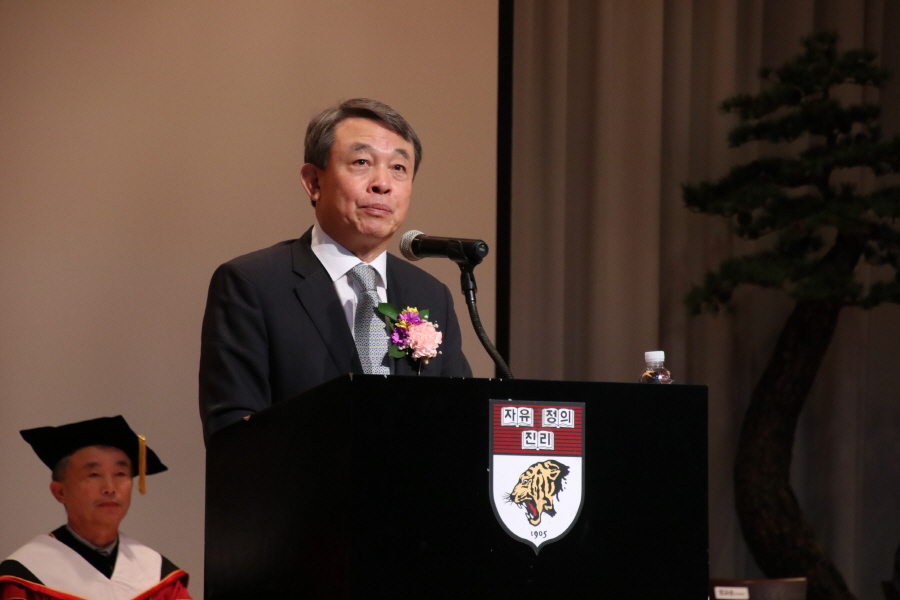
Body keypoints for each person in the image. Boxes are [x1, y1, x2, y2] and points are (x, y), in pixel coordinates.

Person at [199, 98, 472, 441]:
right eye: (362, 162)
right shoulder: (253, 284)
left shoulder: (430, 294)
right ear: (314, 182)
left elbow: (461, 420)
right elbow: (232, 433)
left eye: (399, 168)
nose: (383, 183)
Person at [0, 416, 192, 600]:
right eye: (94, 474)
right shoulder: (27, 577)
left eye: (120, 474)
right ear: (60, 492)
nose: (110, 488)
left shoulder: (157, 577)